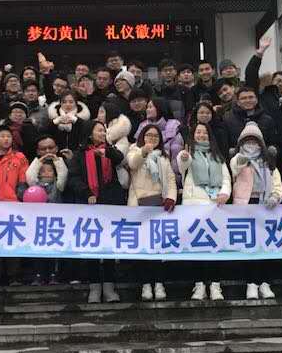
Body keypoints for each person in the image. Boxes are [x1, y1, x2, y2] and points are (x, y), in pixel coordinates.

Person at [67, 120, 127, 303]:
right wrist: (87, 193)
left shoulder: (109, 150)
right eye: (99, 130)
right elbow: (74, 178)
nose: (103, 133)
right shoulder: (80, 154)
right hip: (89, 205)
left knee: (108, 246)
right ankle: (94, 286)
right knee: (92, 246)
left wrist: (106, 151)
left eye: (104, 131)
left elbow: (120, 159)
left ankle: (109, 287)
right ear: (90, 133)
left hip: (110, 204)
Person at [177, 123, 231, 301]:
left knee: (215, 247)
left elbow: (226, 178)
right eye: (198, 132)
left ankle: (215, 285)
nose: (201, 135)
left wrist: (225, 193)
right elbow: (182, 165)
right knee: (196, 247)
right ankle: (199, 285)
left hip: (215, 207)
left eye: (205, 132)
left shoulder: (217, 156)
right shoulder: (189, 153)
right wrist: (184, 156)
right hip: (194, 206)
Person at [230, 122, 282, 300]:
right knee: (249, 246)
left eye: (254, 141)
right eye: (247, 141)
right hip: (245, 206)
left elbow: (277, 184)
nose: (251, 145)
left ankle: (265, 283)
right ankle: (251, 284)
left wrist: (275, 197)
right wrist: (242, 157)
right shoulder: (238, 159)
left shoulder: (268, 163)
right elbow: (235, 167)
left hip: (266, 206)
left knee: (265, 246)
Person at [127, 124, 177, 301]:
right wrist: (144, 151)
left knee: (158, 248)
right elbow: (132, 164)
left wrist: (171, 197)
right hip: (140, 204)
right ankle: (146, 284)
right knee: (143, 247)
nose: (152, 138)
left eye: (156, 136)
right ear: (143, 136)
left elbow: (170, 179)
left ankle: (159, 283)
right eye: (149, 135)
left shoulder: (163, 156)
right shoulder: (134, 150)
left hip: (158, 205)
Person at [0, 125, 29, 286]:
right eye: (2, 136)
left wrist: (21, 195)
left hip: (12, 205)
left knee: (12, 240)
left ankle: (14, 276)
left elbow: (23, 180)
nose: (6, 139)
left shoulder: (19, 157)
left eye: (9, 136)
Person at [26, 146, 67, 285]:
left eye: (50, 170)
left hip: (55, 224)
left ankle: (54, 275)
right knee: (38, 251)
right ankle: (39, 275)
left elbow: (63, 174)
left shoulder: (58, 185)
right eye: (43, 171)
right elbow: (29, 175)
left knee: (54, 251)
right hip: (39, 224)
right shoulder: (35, 185)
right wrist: (39, 161)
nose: (46, 173)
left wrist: (57, 161)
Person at [135, 97, 184, 185]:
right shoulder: (142, 126)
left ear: (159, 108)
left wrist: (173, 180)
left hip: (168, 177)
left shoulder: (173, 127)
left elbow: (175, 159)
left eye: (150, 107)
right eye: (147, 107)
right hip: (144, 178)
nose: (147, 110)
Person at [245, 37, 282, 128]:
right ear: (272, 81)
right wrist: (259, 53)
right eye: (278, 80)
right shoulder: (260, 95)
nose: (281, 84)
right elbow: (251, 74)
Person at [48, 92, 91, 156]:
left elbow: (87, 133)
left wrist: (76, 120)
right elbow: (45, 132)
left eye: (71, 102)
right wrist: (55, 122)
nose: (67, 105)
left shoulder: (82, 120)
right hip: (57, 154)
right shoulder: (54, 118)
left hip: (77, 155)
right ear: (60, 103)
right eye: (64, 102)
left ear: (76, 103)